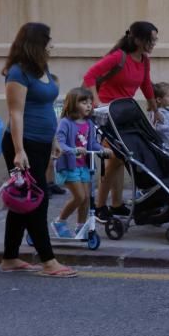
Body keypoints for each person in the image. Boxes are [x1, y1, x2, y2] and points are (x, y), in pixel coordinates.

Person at [0, 22, 76, 277]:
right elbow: (16, 113)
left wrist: (54, 139)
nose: (52, 44)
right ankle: (48, 261)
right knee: (38, 200)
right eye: (49, 40)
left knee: (25, 198)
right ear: (37, 43)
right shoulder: (17, 73)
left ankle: (9, 258)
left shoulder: (41, 69)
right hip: (23, 143)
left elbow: (47, 107)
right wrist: (19, 151)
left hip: (42, 143)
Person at [84, 21, 159, 223]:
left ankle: (116, 205)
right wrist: (97, 102)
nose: (153, 43)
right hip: (106, 114)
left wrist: (154, 106)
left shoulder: (144, 60)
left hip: (124, 114)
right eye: (150, 39)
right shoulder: (118, 57)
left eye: (155, 39)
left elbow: (145, 83)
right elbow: (89, 76)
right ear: (137, 39)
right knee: (114, 158)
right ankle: (99, 207)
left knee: (120, 159)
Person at [52, 87, 111, 238]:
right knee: (79, 196)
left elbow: (91, 144)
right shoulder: (65, 123)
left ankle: (80, 227)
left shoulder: (89, 123)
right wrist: (73, 150)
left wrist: (103, 149)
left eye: (90, 102)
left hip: (84, 165)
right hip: (69, 166)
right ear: (73, 104)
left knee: (86, 199)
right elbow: (60, 143)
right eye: (84, 102)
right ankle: (60, 222)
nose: (89, 105)